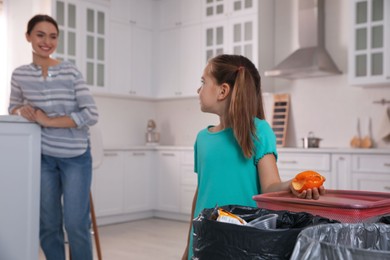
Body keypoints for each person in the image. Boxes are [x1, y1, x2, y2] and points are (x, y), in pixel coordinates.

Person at [182, 54, 325, 260]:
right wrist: (189, 244)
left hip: (244, 241)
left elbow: (270, 187)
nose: (198, 89)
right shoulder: (202, 138)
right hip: (205, 237)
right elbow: (200, 193)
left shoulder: (258, 131)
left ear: (223, 91)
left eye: (203, 82)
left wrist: (294, 185)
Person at [8, 14, 98, 260]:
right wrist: (20, 110)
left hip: (75, 156)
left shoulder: (70, 71)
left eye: (52, 36)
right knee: (48, 223)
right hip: (44, 158)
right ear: (28, 37)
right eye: (40, 34)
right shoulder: (20, 75)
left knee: (76, 224)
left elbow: (91, 113)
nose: (46, 41)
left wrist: (47, 121)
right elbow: (12, 106)